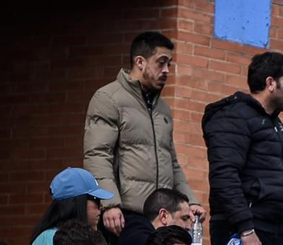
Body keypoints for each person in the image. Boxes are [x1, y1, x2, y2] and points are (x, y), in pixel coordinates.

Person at [83, 32, 198, 230]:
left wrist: (192, 202)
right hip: (125, 215)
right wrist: (110, 203)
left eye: (169, 64)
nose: (166, 70)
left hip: (160, 218)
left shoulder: (163, 109)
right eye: (161, 63)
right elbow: (97, 155)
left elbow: (172, 162)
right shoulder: (109, 98)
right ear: (140, 62)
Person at [202, 51, 283, 245]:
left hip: (272, 234)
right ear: (270, 83)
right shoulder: (233, 117)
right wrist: (245, 229)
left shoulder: (275, 124)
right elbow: (224, 175)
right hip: (245, 233)